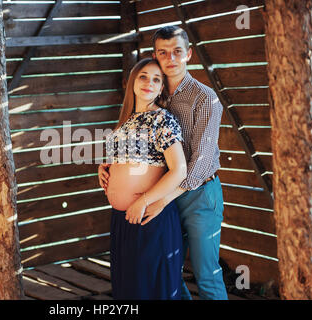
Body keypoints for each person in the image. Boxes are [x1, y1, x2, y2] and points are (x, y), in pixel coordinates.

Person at [98, 26, 228, 300]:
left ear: (189, 54)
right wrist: (111, 167)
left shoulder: (204, 98)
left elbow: (200, 162)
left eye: (177, 52)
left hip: (198, 193)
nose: (171, 58)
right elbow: (146, 149)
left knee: (206, 274)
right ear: (155, 55)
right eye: (163, 52)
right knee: (169, 271)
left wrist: (162, 198)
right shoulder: (154, 95)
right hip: (163, 191)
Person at [99, 58, 187, 300]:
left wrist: (143, 201)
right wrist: (105, 169)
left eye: (156, 79)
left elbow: (179, 170)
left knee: (150, 290)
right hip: (122, 220)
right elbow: (125, 160)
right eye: (144, 76)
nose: (150, 82)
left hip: (149, 217)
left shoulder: (162, 120)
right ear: (132, 82)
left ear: (161, 89)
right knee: (127, 290)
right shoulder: (124, 122)